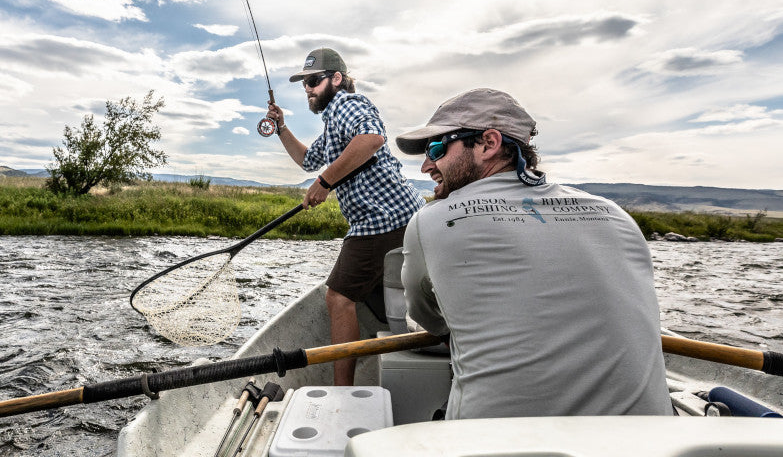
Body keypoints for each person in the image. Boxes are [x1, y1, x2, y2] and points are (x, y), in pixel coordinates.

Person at [394, 88, 673, 419]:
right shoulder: (614, 213)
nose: (427, 166)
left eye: (436, 148)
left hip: (498, 442)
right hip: (647, 441)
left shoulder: (432, 220)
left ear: (488, 144)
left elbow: (427, 318)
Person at [266, 47, 425, 386]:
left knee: (338, 297)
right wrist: (281, 127)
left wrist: (325, 182)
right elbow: (308, 160)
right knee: (363, 294)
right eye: (304, 84)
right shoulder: (332, 121)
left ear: (336, 79)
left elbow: (371, 138)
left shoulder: (349, 105)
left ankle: (342, 391)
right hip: (400, 218)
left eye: (313, 81)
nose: (308, 89)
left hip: (383, 220)